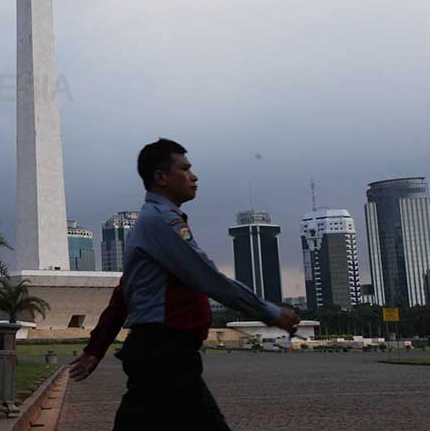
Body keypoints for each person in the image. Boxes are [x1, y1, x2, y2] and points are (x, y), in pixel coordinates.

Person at [68, 138, 299, 430]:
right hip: (165, 354)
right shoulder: (162, 222)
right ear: (161, 177)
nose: (194, 176)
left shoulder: (156, 223)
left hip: (162, 353)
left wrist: (96, 348)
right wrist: (269, 312)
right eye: (185, 169)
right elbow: (207, 276)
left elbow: (122, 296)